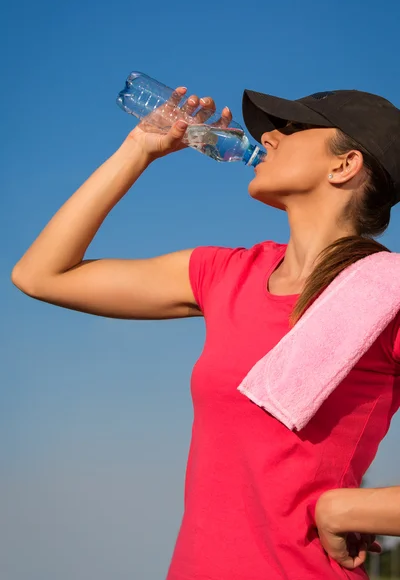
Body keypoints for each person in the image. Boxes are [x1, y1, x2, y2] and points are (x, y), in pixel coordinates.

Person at [11, 84, 400, 580]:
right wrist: (140, 149)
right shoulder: (226, 274)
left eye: (292, 128)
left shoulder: (386, 294)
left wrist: (349, 510)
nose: (270, 139)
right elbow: (41, 275)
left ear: (344, 165)